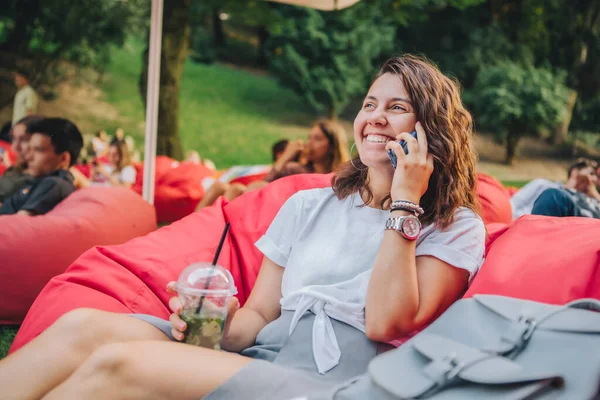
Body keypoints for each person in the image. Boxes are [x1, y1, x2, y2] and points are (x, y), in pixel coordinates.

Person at [0, 55, 486, 400]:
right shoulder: (309, 205)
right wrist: (219, 323)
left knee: (120, 365)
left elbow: (385, 322)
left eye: (397, 108)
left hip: (336, 381)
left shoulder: (454, 225)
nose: (375, 117)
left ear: (432, 130)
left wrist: (405, 199)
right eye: (369, 103)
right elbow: (257, 320)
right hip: (264, 356)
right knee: (84, 326)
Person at [197, 120, 351, 209]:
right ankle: (195, 228)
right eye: (309, 137)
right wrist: (285, 158)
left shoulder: (341, 178)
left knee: (238, 189)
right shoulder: (296, 169)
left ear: (332, 146)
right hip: (268, 207)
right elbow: (263, 185)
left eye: (317, 139)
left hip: (292, 214)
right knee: (223, 187)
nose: (309, 143)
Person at [0, 118, 83, 216]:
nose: (29, 156)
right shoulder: (42, 181)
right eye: (30, 149)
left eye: (38, 150)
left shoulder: (54, 184)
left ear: (64, 159)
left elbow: (18, 223)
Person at [530, 158, 600, 218]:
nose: (594, 179)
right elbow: (518, 205)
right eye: (591, 173)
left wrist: (594, 194)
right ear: (575, 171)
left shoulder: (592, 198)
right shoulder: (543, 185)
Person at [0, 115, 44, 203]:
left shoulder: (39, 182)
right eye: (13, 138)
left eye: (24, 140)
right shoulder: (17, 169)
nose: (14, 147)